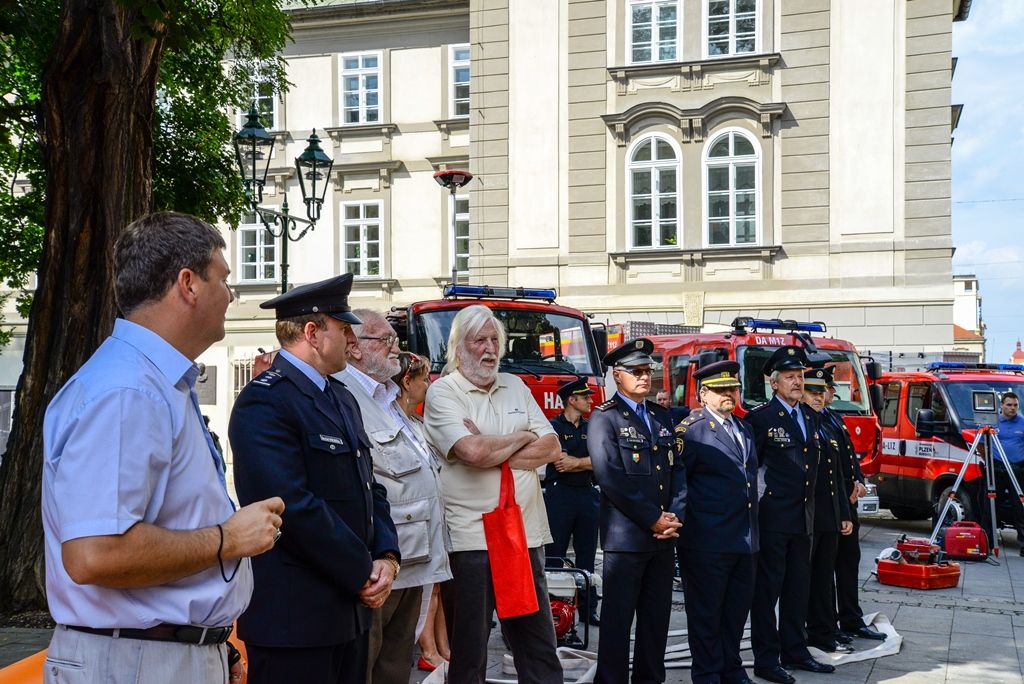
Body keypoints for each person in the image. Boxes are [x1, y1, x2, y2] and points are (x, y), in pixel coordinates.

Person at [41, 212, 284, 684]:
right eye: (223, 279)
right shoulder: (128, 390)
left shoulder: (149, 381)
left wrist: (208, 642)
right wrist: (228, 539)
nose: (231, 295)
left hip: (150, 654)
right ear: (188, 284)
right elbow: (95, 554)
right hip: (135, 661)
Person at [230, 274, 400, 684]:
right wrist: (362, 570)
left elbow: (369, 485)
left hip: (348, 613)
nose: (352, 341)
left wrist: (387, 555)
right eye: (344, 329)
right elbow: (292, 506)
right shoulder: (265, 401)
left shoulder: (340, 397)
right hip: (295, 620)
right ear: (312, 333)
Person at [423, 304, 563, 684]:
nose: (489, 349)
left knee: (539, 648)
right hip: (471, 541)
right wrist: (523, 437)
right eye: (479, 340)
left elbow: (552, 448)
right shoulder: (443, 392)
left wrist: (492, 446)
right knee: (469, 654)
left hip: (523, 537)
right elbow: (472, 452)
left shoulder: (515, 386)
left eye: (494, 340)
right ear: (458, 347)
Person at [338, 311, 452, 683]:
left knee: (396, 664)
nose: (396, 349)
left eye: (395, 340)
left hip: (413, 556)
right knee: (366, 663)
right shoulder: (343, 394)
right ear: (355, 347)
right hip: (379, 563)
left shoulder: (387, 397)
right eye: (386, 340)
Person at [588, 338, 686, 684]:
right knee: (618, 622)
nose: (645, 377)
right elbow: (610, 476)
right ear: (618, 375)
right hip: (627, 538)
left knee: (656, 621)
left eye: (648, 370)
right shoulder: (605, 418)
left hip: (663, 537)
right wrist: (652, 518)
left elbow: (677, 470)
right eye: (636, 371)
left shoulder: (660, 415)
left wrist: (674, 517)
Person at [746, 346, 834, 684]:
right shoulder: (761, 418)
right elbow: (748, 470)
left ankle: (795, 650)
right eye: (789, 377)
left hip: (803, 518)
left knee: (798, 589)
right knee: (767, 592)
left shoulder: (810, 416)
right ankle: (766, 659)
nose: (797, 382)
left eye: (799, 376)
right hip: (773, 517)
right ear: (774, 383)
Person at [674, 361, 758, 684]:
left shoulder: (743, 428)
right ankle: (707, 672)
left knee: (736, 612)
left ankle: (731, 667)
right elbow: (679, 483)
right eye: (721, 389)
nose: (729, 394)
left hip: (744, 538)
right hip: (707, 540)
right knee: (706, 613)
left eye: (733, 388)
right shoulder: (691, 431)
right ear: (703, 393)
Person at [387, 352, 453, 672]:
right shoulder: (387, 419)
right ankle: (428, 648)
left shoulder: (416, 422)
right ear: (406, 382)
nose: (428, 384)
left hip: (429, 524)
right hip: (407, 531)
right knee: (415, 594)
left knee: (434, 587)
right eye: (423, 379)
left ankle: (439, 646)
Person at [823, 369, 886, 642]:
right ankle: (827, 623)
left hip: (849, 500)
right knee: (826, 568)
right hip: (833, 502)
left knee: (849, 562)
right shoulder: (815, 421)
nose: (831, 393)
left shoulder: (833, 418)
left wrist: (859, 480)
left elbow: (849, 458)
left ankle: (851, 618)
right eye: (828, 388)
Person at [801, 368, 854, 654]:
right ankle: (810, 631)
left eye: (821, 392)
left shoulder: (826, 424)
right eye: (812, 392)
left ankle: (825, 631)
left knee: (823, 578)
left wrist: (844, 513)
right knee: (806, 579)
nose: (818, 397)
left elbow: (837, 476)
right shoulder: (802, 424)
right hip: (808, 515)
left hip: (829, 514)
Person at [544, 377, 601, 626]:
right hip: (561, 495)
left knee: (587, 555)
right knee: (555, 556)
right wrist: (587, 462)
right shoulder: (553, 427)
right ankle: (555, 610)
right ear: (571, 400)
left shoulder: (592, 427)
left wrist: (577, 462)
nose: (590, 401)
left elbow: (602, 460)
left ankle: (588, 610)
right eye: (585, 397)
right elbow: (560, 463)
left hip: (587, 494)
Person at [996, 392, 1024, 553]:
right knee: (991, 503)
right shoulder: (993, 422)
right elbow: (981, 445)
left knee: (1020, 506)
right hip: (997, 469)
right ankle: (987, 539)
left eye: (1015, 405)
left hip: (1017, 469)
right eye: (1009, 405)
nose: (1012, 408)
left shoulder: (1022, 423)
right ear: (1002, 405)